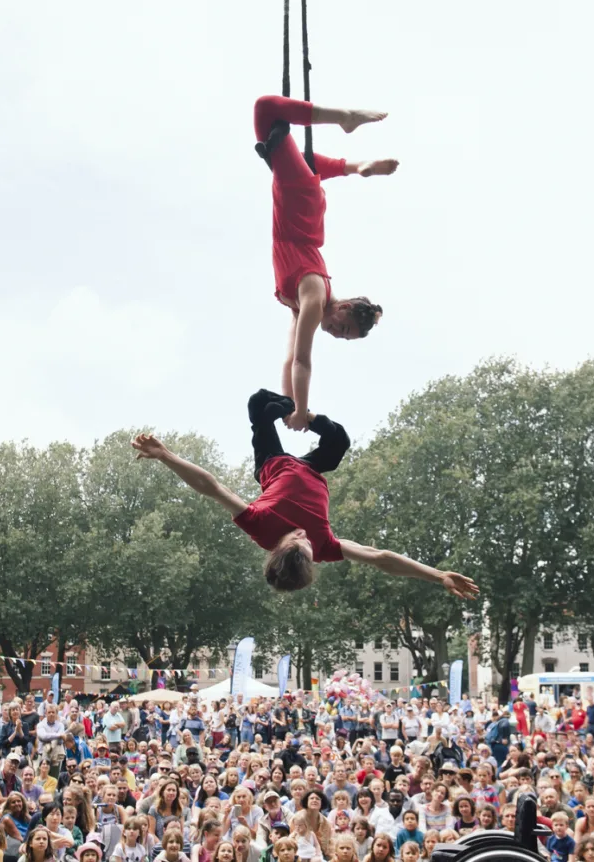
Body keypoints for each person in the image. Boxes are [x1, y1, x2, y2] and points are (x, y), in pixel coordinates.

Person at [131, 400, 478, 599]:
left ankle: (286, 407)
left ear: (278, 548)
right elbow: (380, 557)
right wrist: (437, 576)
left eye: (296, 540)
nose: (303, 535)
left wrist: (166, 456)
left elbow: (212, 487)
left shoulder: (259, 526)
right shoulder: (324, 546)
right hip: (312, 469)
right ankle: (305, 415)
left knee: (260, 406)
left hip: (273, 464)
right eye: (307, 544)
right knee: (340, 440)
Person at [251, 94, 394, 428]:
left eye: (341, 337)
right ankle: (346, 117)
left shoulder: (302, 307)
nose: (334, 333)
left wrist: (289, 408)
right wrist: (302, 408)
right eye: (342, 328)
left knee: (300, 158)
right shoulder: (314, 296)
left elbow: (288, 359)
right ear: (342, 307)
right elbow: (303, 360)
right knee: (265, 110)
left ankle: (356, 166)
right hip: (299, 206)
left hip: (299, 204)